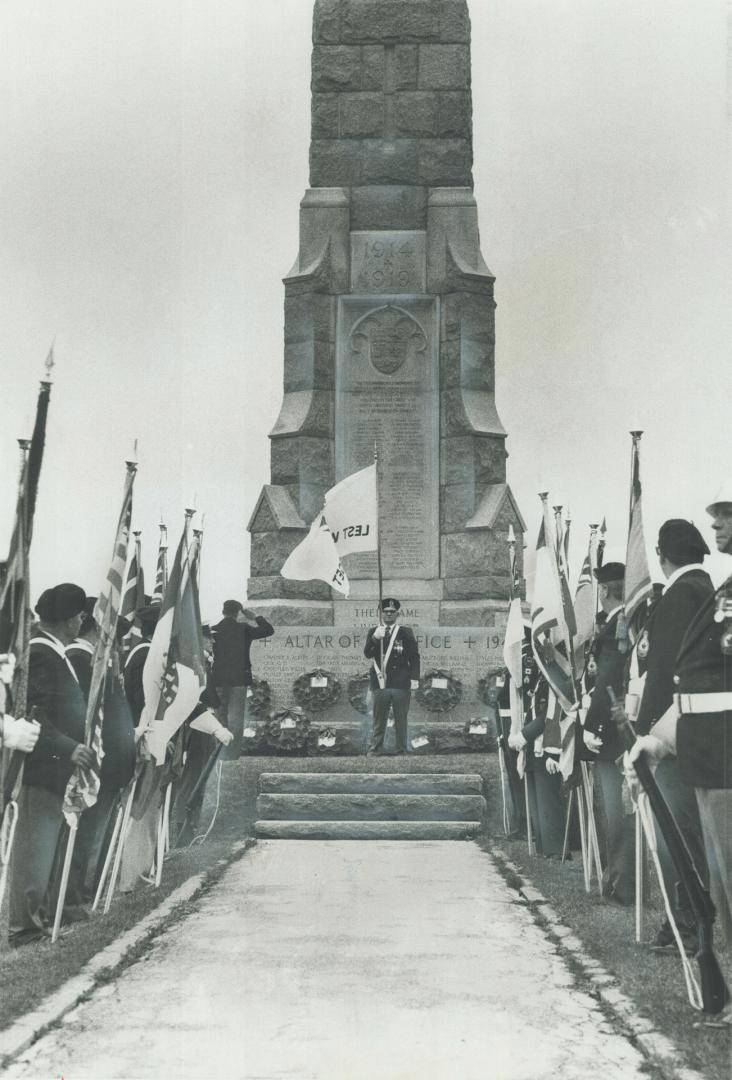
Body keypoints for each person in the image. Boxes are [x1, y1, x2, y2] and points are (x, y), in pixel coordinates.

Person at [628, 488, 732, 971]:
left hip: (694, 739)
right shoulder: (710, 590)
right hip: (690, 734)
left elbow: (669, 671)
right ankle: (690, 924)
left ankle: (687, 923)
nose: (719, 527)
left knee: (685, 838)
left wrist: (652, 733)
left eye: (726, 519)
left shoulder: (683, 595)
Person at [8, 583, 94, 945]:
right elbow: (32, 712)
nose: (81, 621)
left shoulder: (55, 652)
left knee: (46, 848)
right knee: (33, 849)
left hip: (56, 767)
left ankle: (37, 918)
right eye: (78, 615)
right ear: (69, 619)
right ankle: (24, 929)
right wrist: (66, 745)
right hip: (40, 767)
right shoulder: (42, 653)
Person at [66, 601, 136, 903]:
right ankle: (76, 892)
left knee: (98, 832)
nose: (114, 640)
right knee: (87, 832)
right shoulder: (81, 660)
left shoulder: (100, 660)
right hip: (98, 763)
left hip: (113, 763)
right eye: (109, 631)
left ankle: (86, 887)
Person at [583, 561, 635, 904]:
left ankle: (621, 886)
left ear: (603, 590)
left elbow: (608, 682)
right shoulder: (626, 622)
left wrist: (591, 725)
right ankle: (621, 882)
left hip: (612, 730)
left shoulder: (620, 625)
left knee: (617, 813)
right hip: (621, 725)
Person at [211, 600, 274, 759]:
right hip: (239, 679)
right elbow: (268, 630)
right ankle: (231, 755)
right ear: (238, 613)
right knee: (236, 719)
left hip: (218, 679)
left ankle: (218, 753)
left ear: (223, 611)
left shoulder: (214, 630)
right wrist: (256, 617)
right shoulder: (243, 629)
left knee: (220, 717)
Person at [363, 598, 420, 755]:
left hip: (401, 682)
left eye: (392, 612)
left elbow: (414, 656)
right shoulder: (374, 631)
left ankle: (401, 749)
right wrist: (375, 638)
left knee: (401, 719)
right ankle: (375, 749)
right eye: (385, 612)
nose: (388, 615)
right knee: (379, 719)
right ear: (381, 614)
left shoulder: (405, 632)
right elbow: (367, 654)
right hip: (380, 682)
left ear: (397, 614)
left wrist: (415, 678)